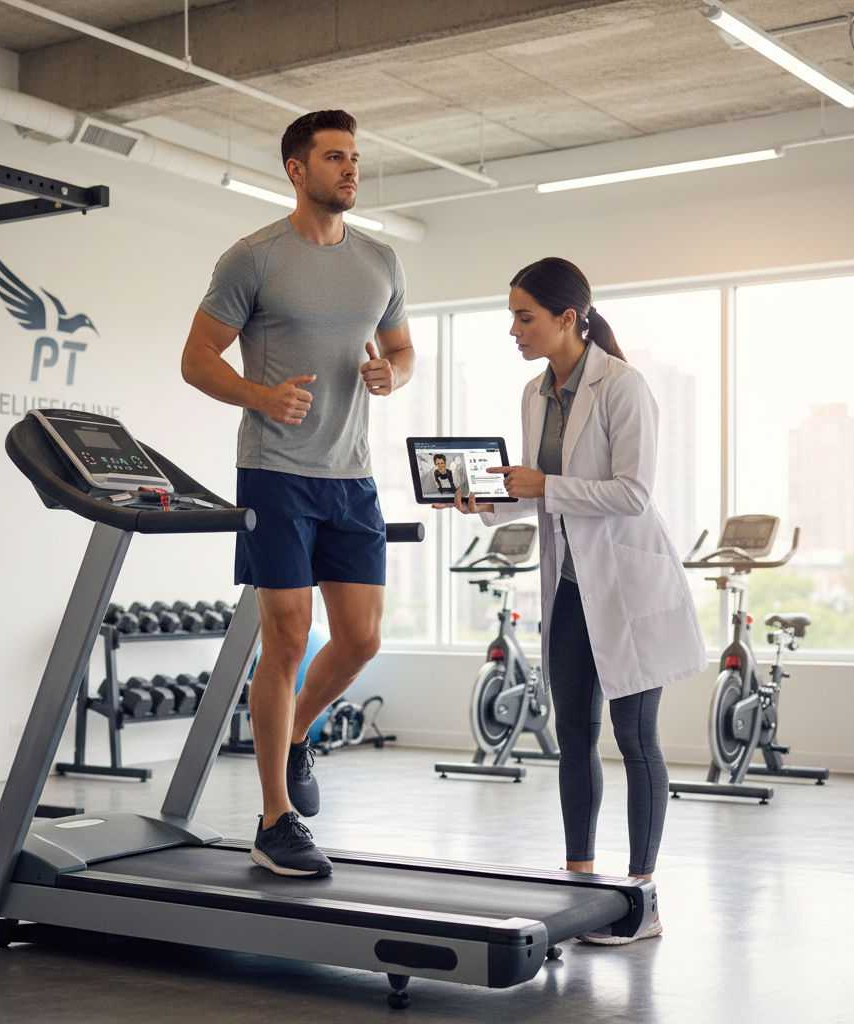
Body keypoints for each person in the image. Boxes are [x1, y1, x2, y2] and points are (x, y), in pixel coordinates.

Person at [436, 256, 706, 942]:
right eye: (511, 317)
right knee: (575, 738)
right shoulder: (536, 393)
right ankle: (579, 885)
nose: (513, 329)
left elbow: (632, 493)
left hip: (630, 587)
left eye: (524, 317)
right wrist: (485, 502)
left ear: (566, 318)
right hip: (570, 588)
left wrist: (541, 486)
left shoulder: (624, 385)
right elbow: (539, 494)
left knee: (635, 739)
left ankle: (641, 901)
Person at [181, 109, 415, 879]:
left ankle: (294, 734)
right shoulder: (253, 258)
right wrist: (260, 395)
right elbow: (197, 358)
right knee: (286, 637)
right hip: (276, 473)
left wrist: (391, 373)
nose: (351, 170)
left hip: (353, 478)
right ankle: (275, 820)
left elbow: (403, 348)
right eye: (335, 157)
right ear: (296, 168)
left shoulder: (380, 260)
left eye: (355, 158)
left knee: (361, 640)